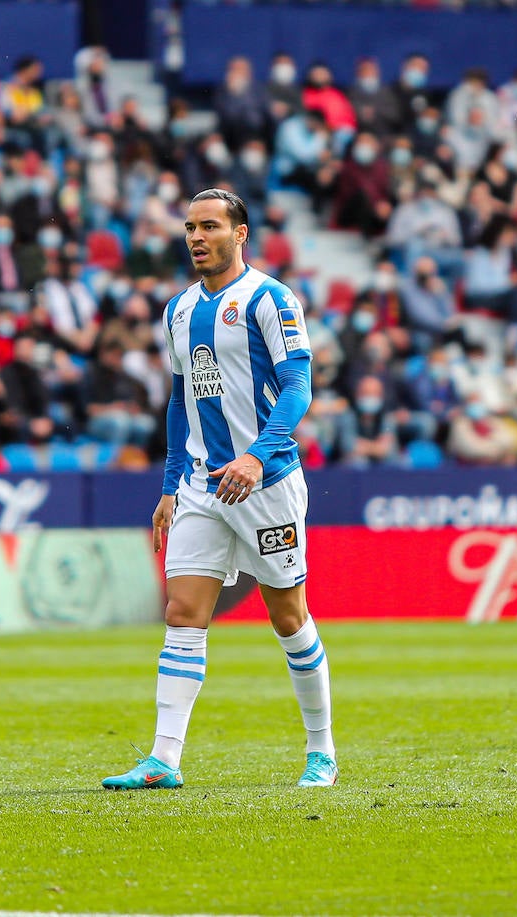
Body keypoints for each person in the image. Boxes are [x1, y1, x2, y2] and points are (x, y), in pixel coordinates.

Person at [102, 188, 336, 790]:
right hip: (202, 487)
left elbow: (298, 389)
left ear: (240, 233)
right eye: (189, 227)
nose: (197, 237)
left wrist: (257, 458)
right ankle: (164, 759)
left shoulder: (270, 298)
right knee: (183, 612)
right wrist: (168, 485)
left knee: (287, 615)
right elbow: (182, 401)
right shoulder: (178, 309)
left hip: (267, 483)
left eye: (209, 226)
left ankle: (321, 751)